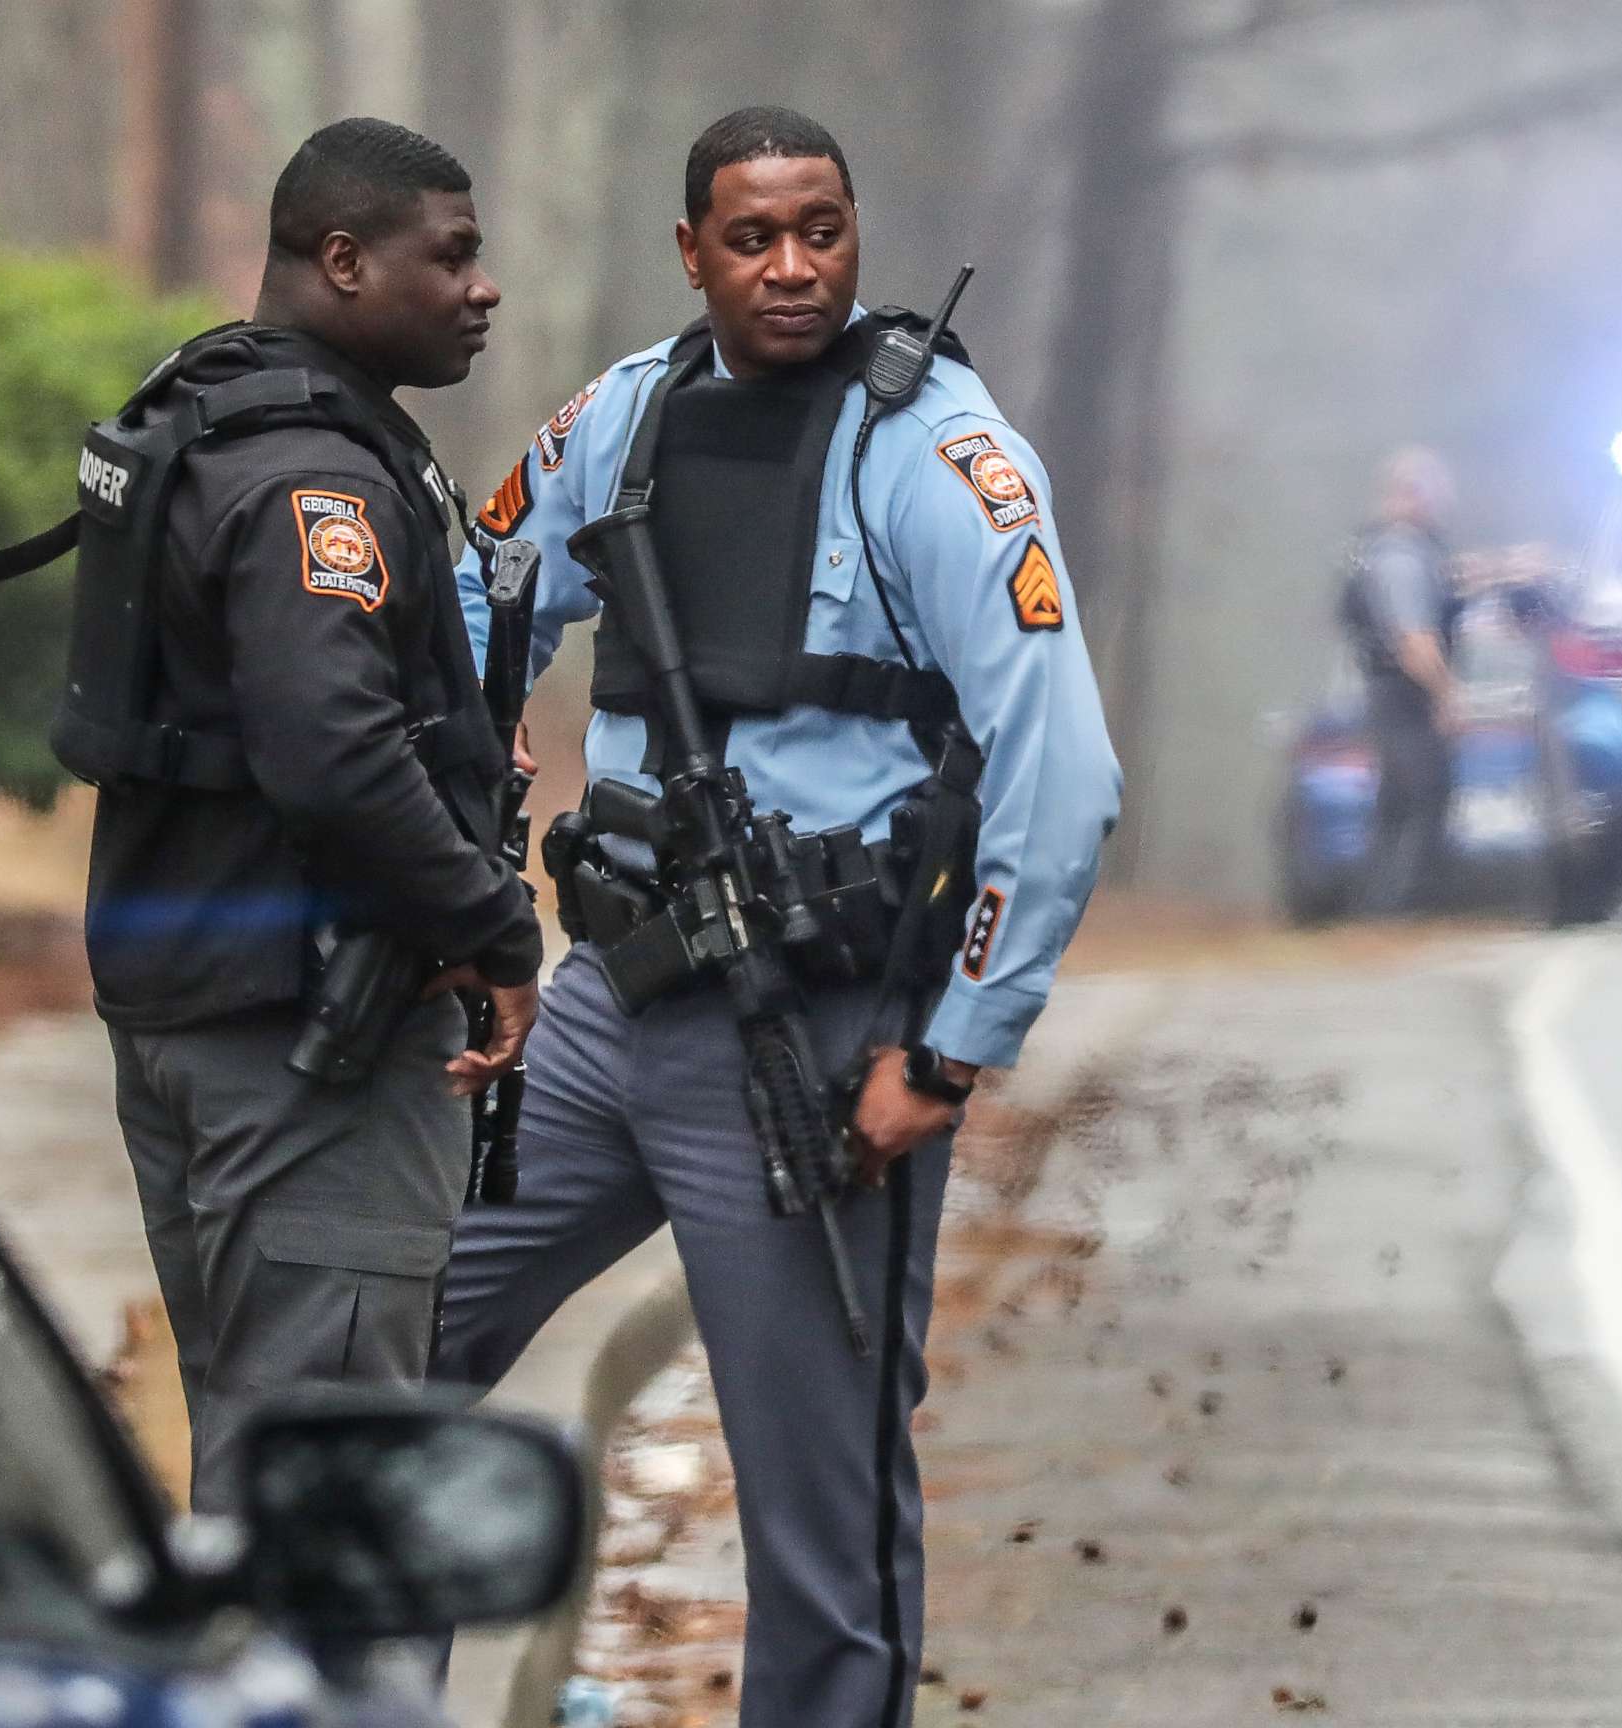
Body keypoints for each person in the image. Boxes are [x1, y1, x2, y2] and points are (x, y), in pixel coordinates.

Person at [434, 106, 1121, 1727]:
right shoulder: (628, 415)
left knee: (818, 1520)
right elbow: (482, 595)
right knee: (388, 1346)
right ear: (695, 252)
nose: (793, 265)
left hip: (813, 1042)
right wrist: (465, 836)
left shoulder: (938, 453)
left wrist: (946, 1053)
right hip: (608, 1004)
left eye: (822, 228)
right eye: (753, 237)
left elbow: (1058, 773)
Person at [0, 119, 541, 1510]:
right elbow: (333, 755)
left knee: (255, 1458)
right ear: (343, 261)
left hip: (191, 1013)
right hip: (305, 1054)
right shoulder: (318, 479)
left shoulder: (210, 410)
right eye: (453, 257)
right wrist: (495, 927)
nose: (483, 289)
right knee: (326, 1515)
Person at [1342, 445, 1462, 917]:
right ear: (1415, 496)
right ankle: (1401, 910)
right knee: (1422, 800)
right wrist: (1449, 695)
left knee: (1394, 804)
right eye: (1437, 494)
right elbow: (1416, 642)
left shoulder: (1379, 548)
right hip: (1406, 697)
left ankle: (1380, 908)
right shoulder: (1402, 555)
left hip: (1386, 694)